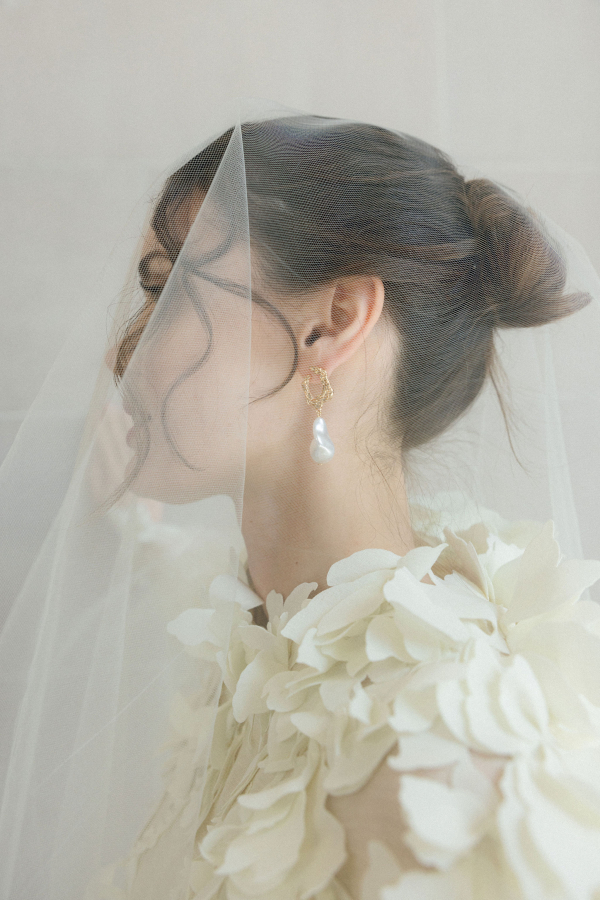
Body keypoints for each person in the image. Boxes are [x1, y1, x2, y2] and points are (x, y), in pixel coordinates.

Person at [1, 111, 600, 900]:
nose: (121, 351)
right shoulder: (268, 647)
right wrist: (130, 522)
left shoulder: (441, 764)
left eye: (168, 290)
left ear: (332, 322)